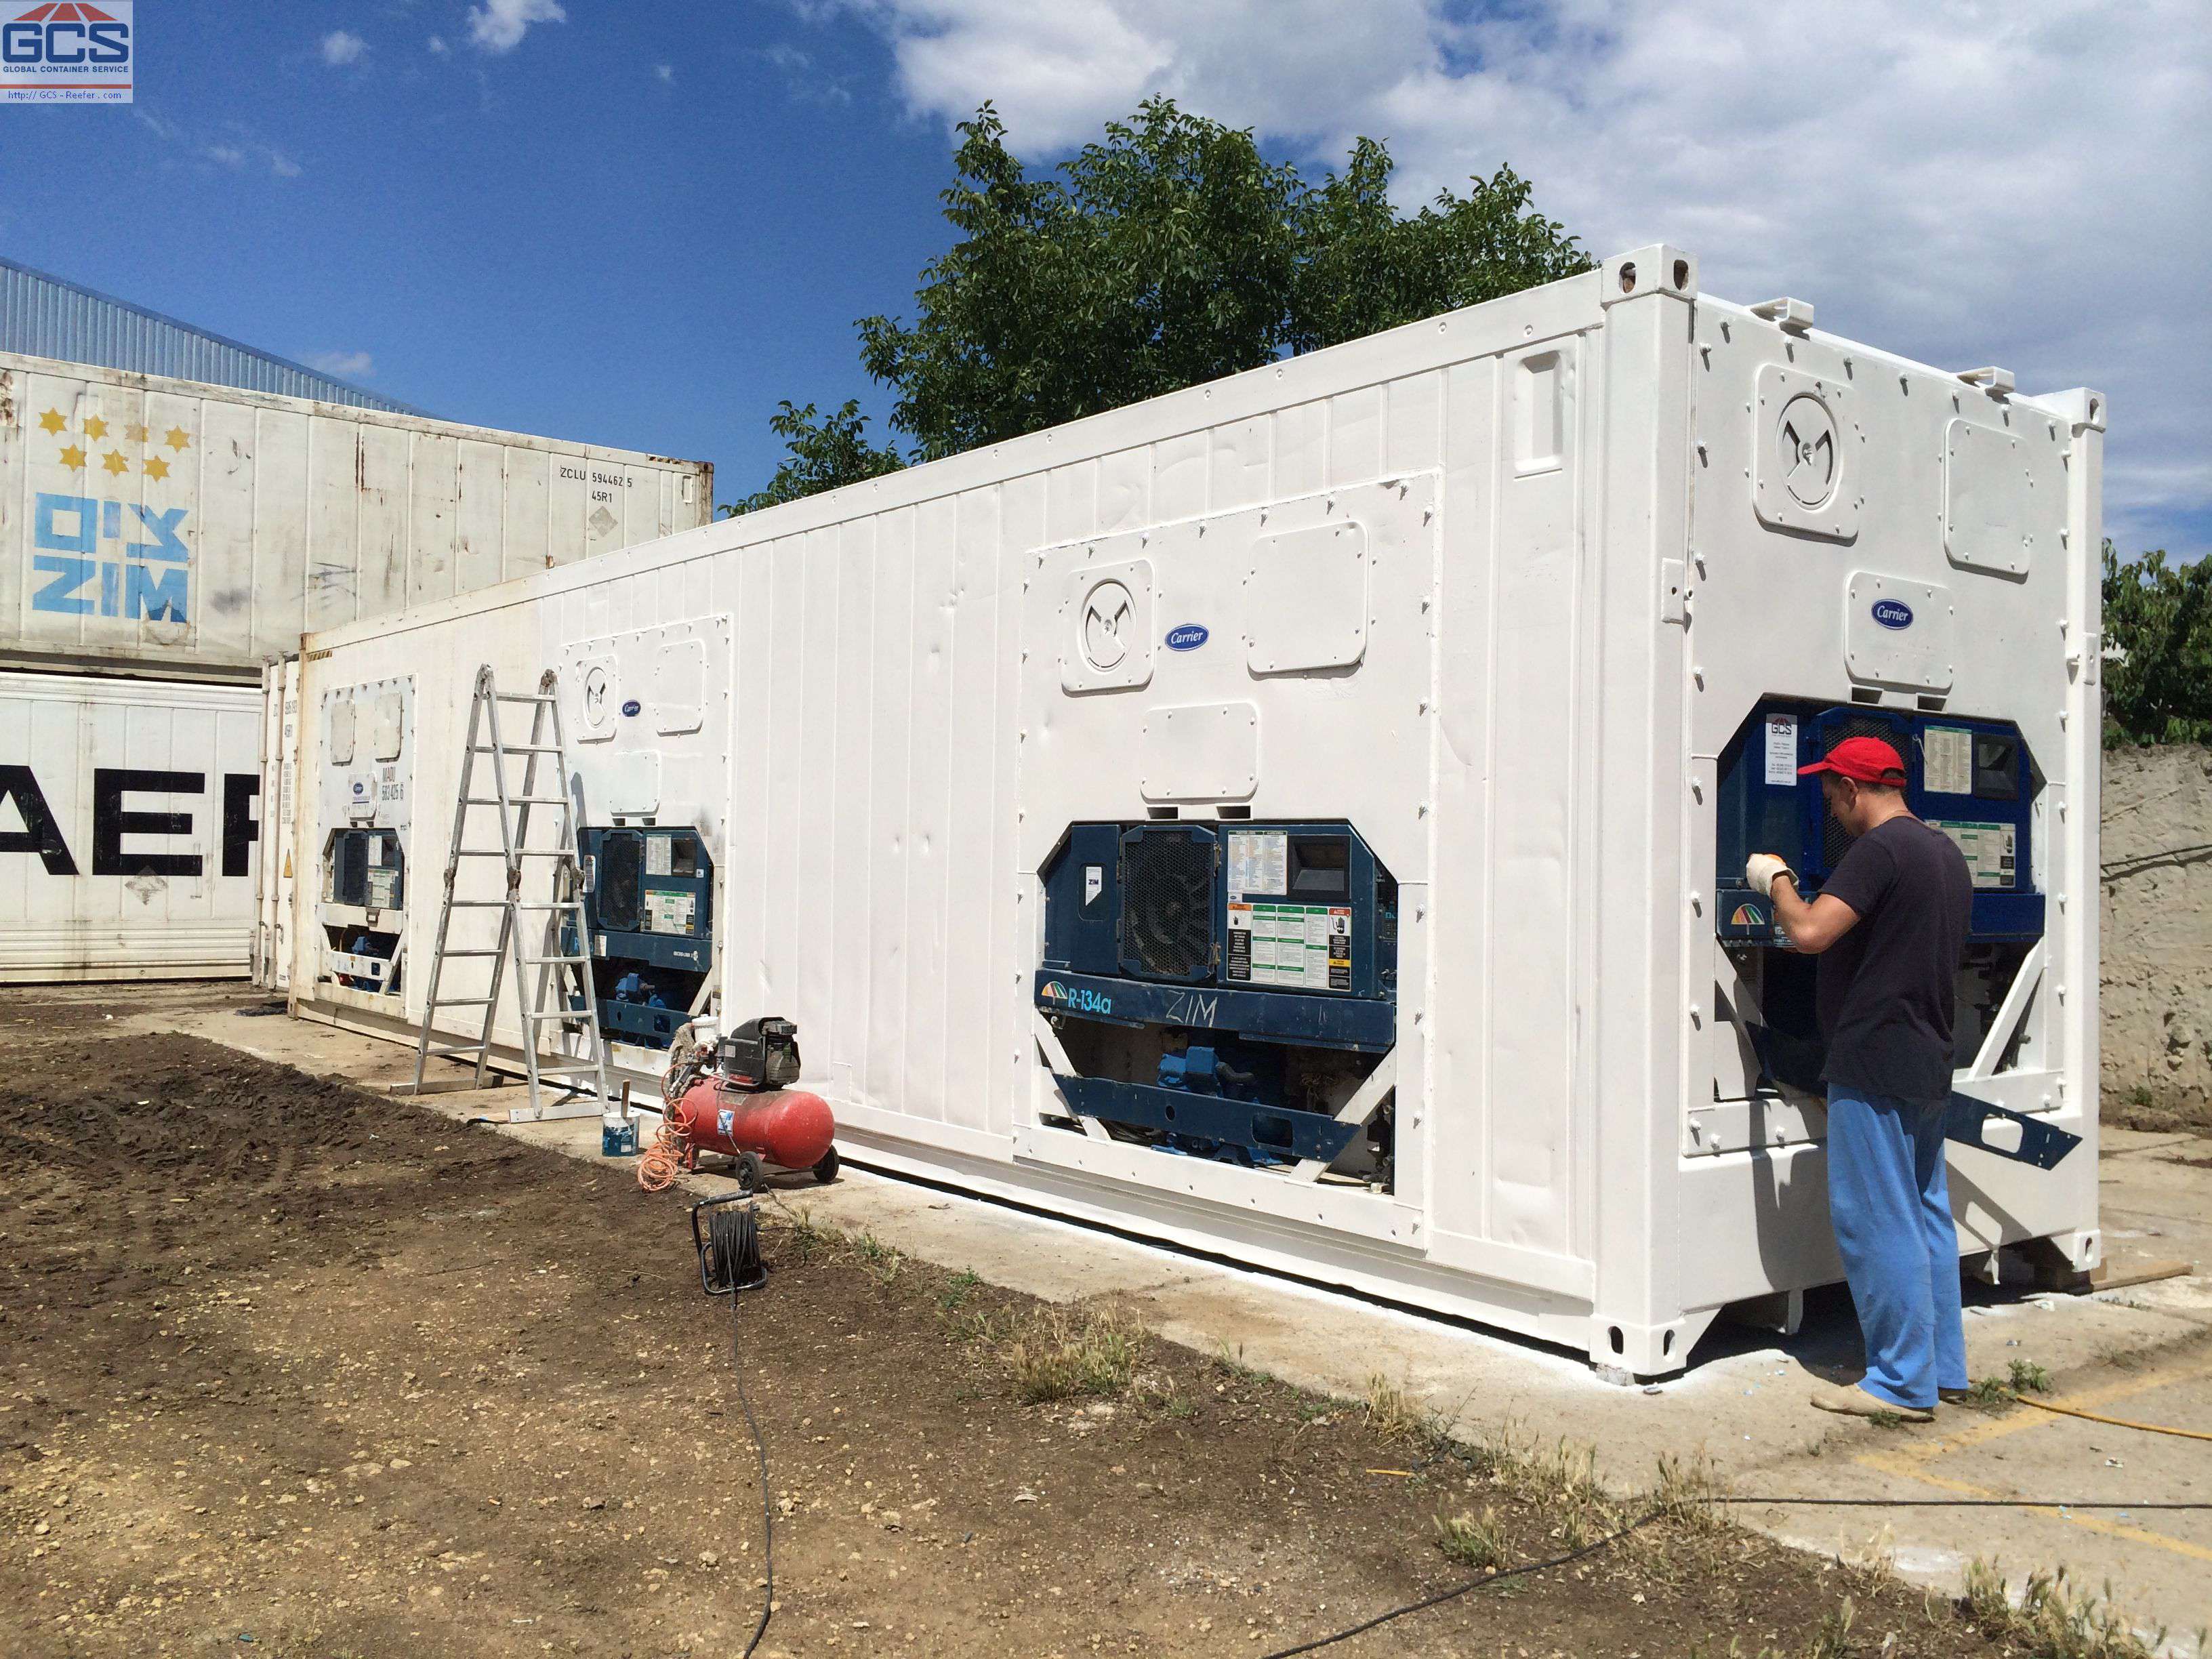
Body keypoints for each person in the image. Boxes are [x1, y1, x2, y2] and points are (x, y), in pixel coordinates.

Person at [1744, 734, 1973, 1422]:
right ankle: (1940, 1369)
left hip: (1874, 1057)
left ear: (1852, 788)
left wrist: (1775, 880)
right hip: (1928, 1055)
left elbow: (1811, 933)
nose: (1831, 810)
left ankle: (1900, 1383)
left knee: (1878, 1220)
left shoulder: (1879, 852)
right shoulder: (1944, 852)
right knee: (1926, 1213)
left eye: (1830, 795)